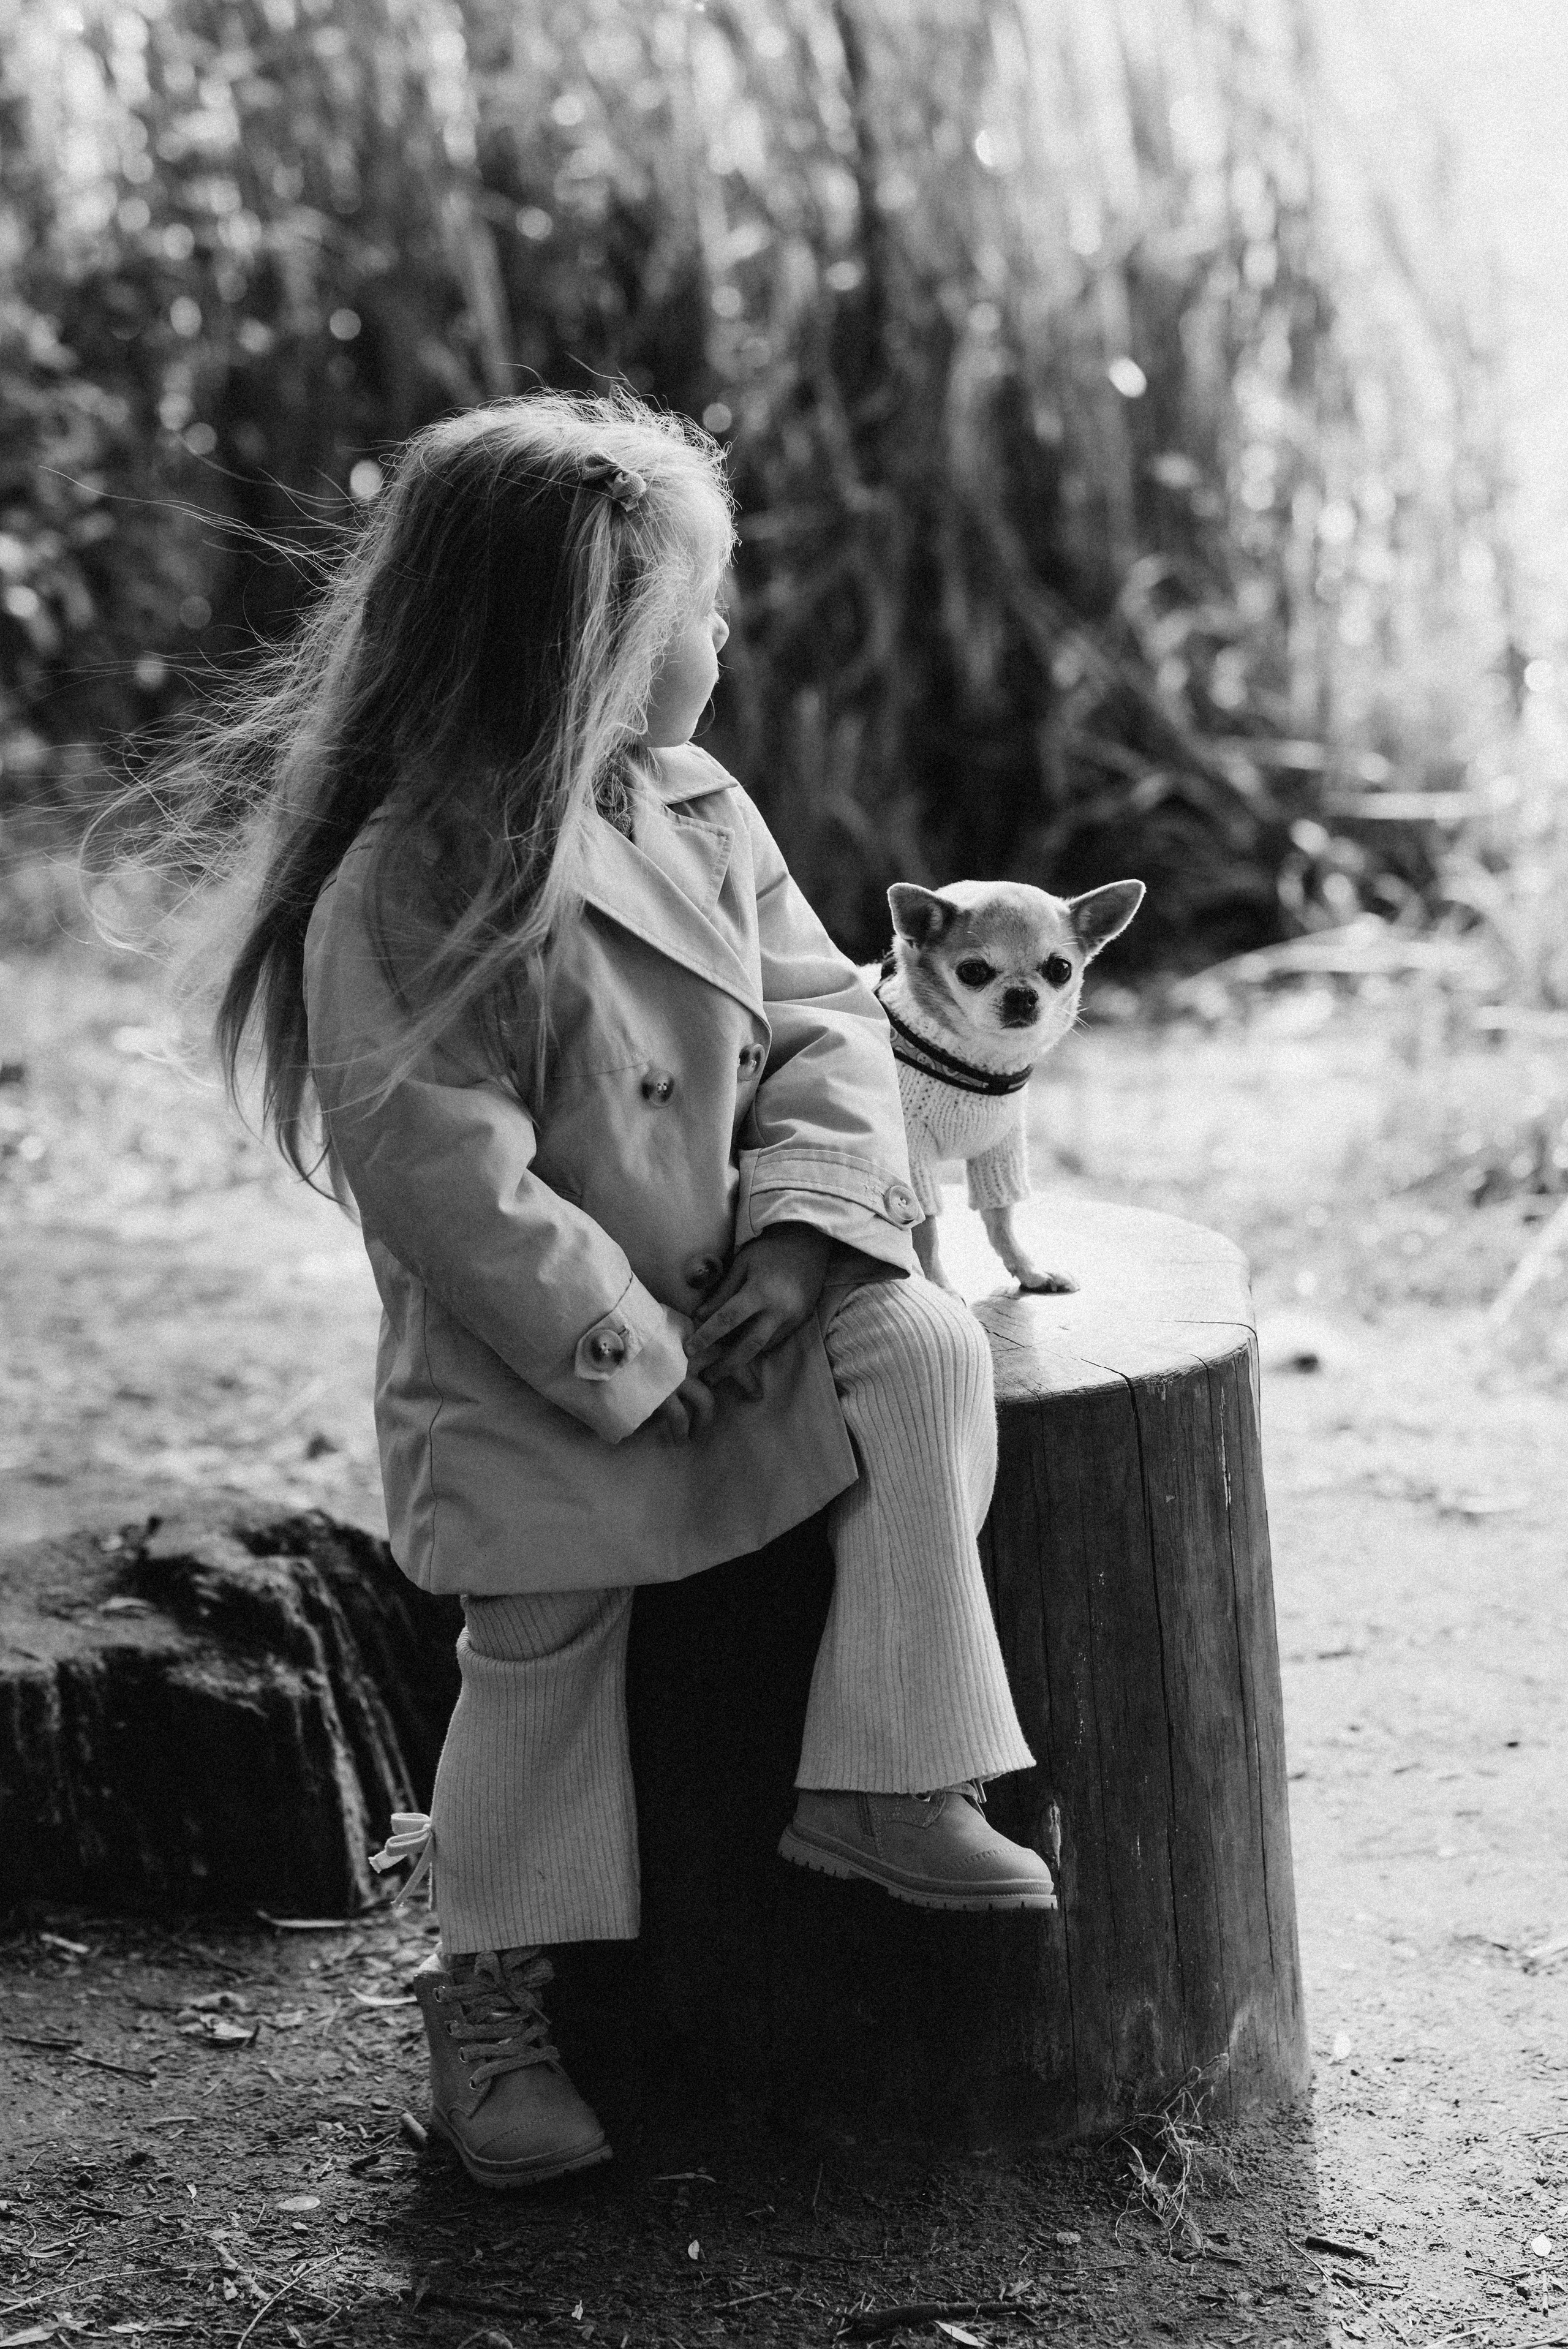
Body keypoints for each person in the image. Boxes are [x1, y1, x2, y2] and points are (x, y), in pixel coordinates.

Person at [204, 388, 1054, 2190]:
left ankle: (893, 1772)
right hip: (546, 1365)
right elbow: (440, 1161)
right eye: (702, 606)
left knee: (920, 1349)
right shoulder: (409, 874)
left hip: (749, 1296)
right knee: (542, 1642)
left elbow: (828, 1015)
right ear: (590, 637)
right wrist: (614, 1336)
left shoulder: (703, 806)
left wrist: (814, 1229)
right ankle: (489, 1987)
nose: (725, 638)